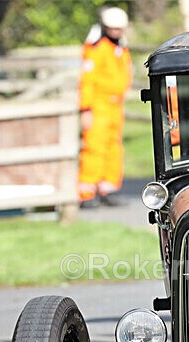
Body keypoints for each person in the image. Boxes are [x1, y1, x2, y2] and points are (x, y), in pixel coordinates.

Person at [78, 7, 133, 207]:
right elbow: (87, 81)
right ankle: (86, 192)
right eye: (113, 29)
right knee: (94, 147)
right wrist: (85, 109)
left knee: (113, 147)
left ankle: (107, 189)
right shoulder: (96, 48)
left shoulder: (120, 48)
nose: (117, 32)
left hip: (115, 106)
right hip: (98, 106)